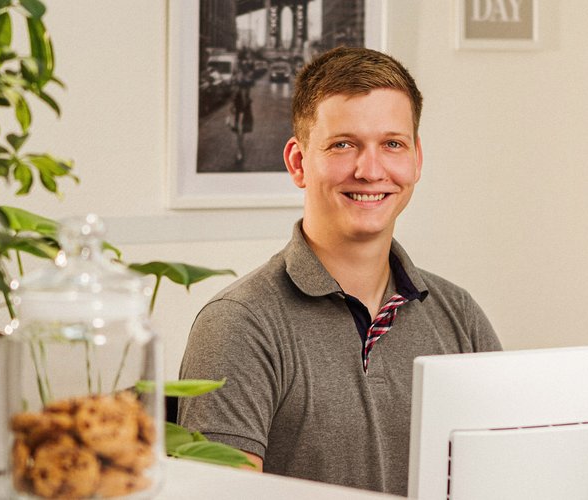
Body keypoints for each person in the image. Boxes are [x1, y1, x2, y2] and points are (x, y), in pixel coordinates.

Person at [178, 46, 502, 496]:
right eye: (343, 145)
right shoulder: (240, 323)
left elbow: (505, 475)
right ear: (298, 162)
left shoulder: (459, 315)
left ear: (416, 159)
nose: (370, 171)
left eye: (392, 144)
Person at [229, 68, 254, 165]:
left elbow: (243, 104)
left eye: (237, 75)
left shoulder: (242, 89)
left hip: (242, 113)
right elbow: (235, 103)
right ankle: (239, 151)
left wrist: (240, 115)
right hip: (240, 113)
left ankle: (239, 152)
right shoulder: (240, 89)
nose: (235, 77)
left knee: (239, 133)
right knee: (239, 133)